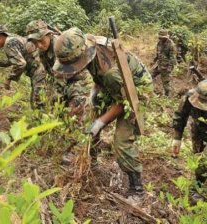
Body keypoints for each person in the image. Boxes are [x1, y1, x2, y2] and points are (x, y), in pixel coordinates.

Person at [52, 27, 153, 201]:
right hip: (114, 86)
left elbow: (123, 102)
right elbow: (97, 74)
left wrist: (101, 121)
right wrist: (94, 94)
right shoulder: (90, 44)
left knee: (121, 142)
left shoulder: (111, 74)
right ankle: (93, 163)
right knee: (90, 117)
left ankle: (137, 190)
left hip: (136, 92)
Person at [26, 19, 92, 122]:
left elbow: (62, 77)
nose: (39, 45)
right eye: (35, 42)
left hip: (78, 79)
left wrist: (56, 98)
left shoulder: (59, 47)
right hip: (62, 80)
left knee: (74, 113)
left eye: (41, 40)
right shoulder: (42, 52)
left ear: (48, 35)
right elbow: (50, 74)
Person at [0, 24, 46, 108]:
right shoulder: (13, 38)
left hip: (39, 69)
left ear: (0, 36)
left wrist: (9, 78)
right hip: (41, 66)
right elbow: (15, 58)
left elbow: (21, 63)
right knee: (38, 99)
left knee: (38, 100)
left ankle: (44, 118)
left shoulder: (9, 43)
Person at [172, 80, 207, 201]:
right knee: (198, 158)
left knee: (204, 161)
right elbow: (181, 116)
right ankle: (198, 186)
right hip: (198, 130)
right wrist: (177, 138)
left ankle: (196, 188)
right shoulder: (189, 97)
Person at [153, 29, 177, 96]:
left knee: (165, 82)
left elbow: (173, 58)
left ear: (165, 37)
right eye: (159, 37)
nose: (159, 38)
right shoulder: (159, 43)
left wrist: (169, 68)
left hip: (166, 66)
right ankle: (150, 91)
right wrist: (155, 59)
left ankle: (167, 96)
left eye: (161, 37)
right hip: (159, 64)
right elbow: (158, 52)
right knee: (150, 75)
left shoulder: (171, 45)